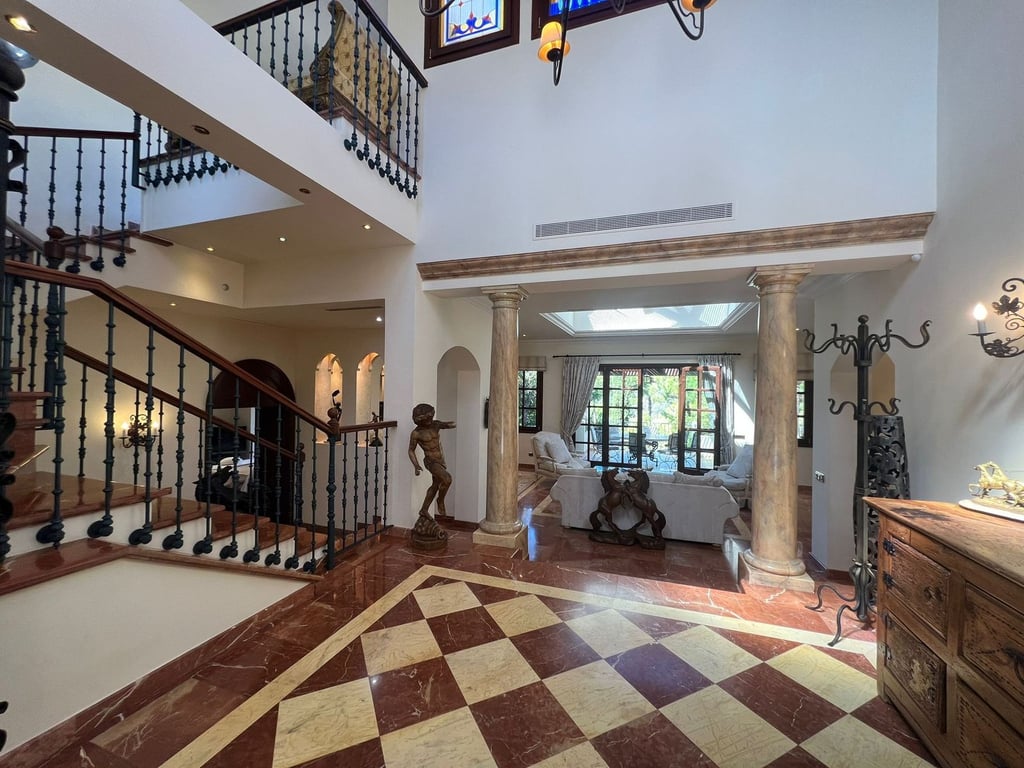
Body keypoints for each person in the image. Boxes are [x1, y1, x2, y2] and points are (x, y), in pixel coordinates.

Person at [408, 402, 456, 519]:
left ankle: (424, 510)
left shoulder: (435, 425)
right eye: (428, 418)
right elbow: (411, 450)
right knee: (447, 479)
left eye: (431, 417)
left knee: (435, 485)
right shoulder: (416, 433)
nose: (430, 420)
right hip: (431, 462)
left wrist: (451, 424)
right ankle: (440, 500)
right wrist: (416, 465)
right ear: (421, 419)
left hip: (441, 460)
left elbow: (451, 424)